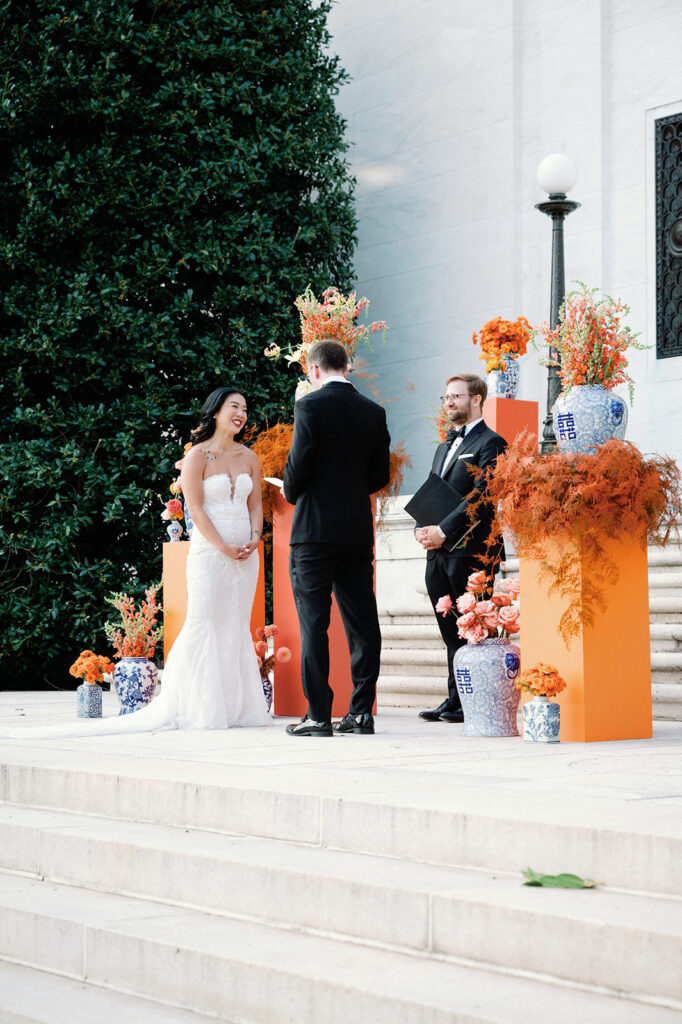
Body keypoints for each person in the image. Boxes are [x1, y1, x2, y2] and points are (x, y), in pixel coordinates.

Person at [0, 387, 271, 739]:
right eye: (234, 406)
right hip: (211, 553)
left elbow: (255, 506)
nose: (241, 413)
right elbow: (196, 510)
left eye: (245, 408)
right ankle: (199, 706)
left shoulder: (249, 456)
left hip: (245, 558)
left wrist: (254, 537)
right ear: (216, 411)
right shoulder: (197, 456)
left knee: (235, 625)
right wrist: (223, 546)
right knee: (204, 622)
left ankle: (238, 707)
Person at [282, 339, 391, 737]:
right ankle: (361, 713)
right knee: (362, 620)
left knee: (314, 622)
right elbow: (379, 475)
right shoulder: (373, 411)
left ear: (312, 370)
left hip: (313, 530)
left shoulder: (310, 405)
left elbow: (298, 464)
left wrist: (290, 491)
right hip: (356, 530)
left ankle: (319, 715)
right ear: (347, 367)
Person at [414, 373, 507, 723]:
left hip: (472, 551)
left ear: (477, 399)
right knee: (449, 629)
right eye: (446, 397)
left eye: (457, 396)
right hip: (437, 551)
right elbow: (432, 493)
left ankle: (475, 699)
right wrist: (422, 529)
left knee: (473, 629)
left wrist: (443, 529)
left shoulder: (492, 442)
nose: (449, 402)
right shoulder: (443, 446)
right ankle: (456, 698)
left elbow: (484, 496)